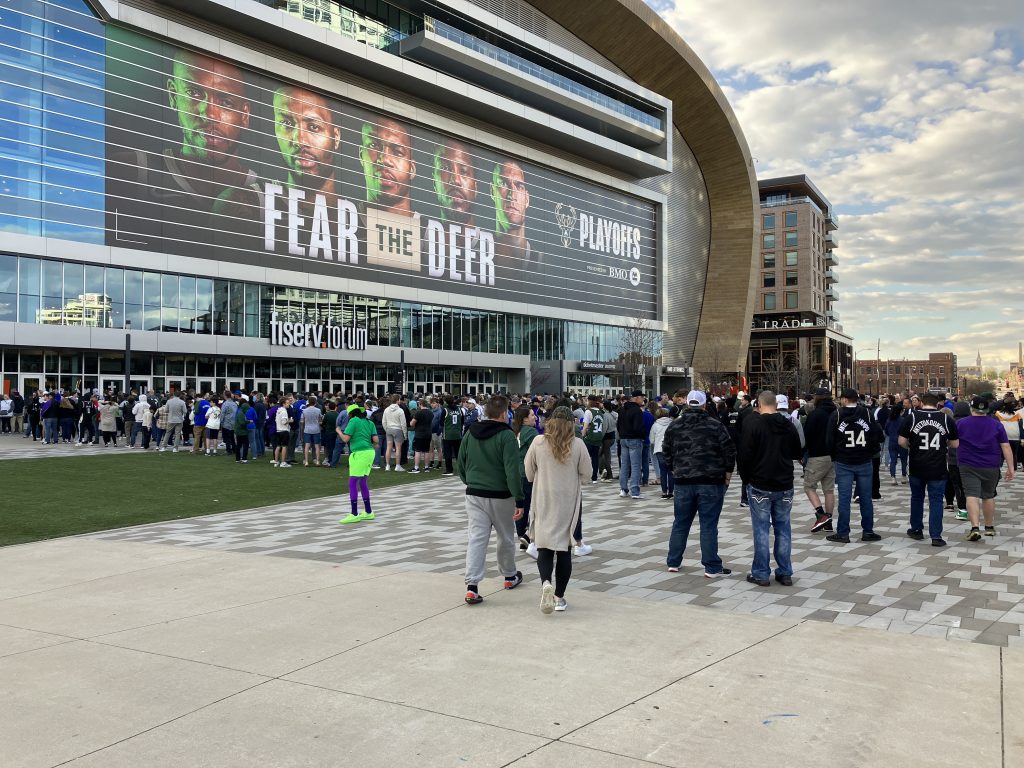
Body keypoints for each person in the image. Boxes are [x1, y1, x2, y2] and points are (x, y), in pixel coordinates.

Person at [458, 394, 525, 605]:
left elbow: (461, 462)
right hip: (501, 495)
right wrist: (520, 499)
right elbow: (512, 470)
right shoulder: (507, 437)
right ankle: (509, 575)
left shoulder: (470, 433)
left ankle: (472, 586)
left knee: (477, 538)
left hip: (475, 493)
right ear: (505, 413)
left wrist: (470, 480)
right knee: (505, 537)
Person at [524, 406, 590, 614]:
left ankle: (545, 582)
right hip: (568, 500)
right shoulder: (578, 444)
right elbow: (587, 473)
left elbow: (528, 472)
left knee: (544, 547)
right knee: (564, 550)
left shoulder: (538, 442)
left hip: (543, 498)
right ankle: (559, 597)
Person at [662, 390, 736, 577]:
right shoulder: (715, 425)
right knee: (709, 525)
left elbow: (666, 451)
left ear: (687, 404)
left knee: (681, 522)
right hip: (711, 481)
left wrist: (674, 469)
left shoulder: (674, 426)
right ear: (704, 405)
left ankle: (673, 561)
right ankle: (711, 567)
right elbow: (729, 451)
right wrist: (728, 474)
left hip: (683, 481)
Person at [737, 390, 802, 587]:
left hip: (760, 482)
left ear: (759, 404)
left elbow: (744, 455)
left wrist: (746, 479)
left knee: (761, 529)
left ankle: (761, 573)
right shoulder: (788, 424)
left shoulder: (753, 423)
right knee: (783, 528)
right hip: (784, 482)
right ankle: (784, 572)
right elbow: (797, 451)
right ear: (775, 404)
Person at [898, 392, 959, 546]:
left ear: (922, 403)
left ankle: (917, 529)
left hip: (917, 465)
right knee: (936, 501)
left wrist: (911, 446)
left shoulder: (911, 418)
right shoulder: (946, 419)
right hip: (937, 466)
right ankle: (936, 536)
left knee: (917, 498)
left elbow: (901, 441)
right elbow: (955, 444)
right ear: (938, 404)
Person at [825, 388, 883, 544]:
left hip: (844, 461)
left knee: (844, 499)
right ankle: (868, 531)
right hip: (864, 460)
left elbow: (829, 440)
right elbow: (876, 435)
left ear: (844, 399)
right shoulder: (868, 413)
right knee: (866, 498)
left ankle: (843, 532)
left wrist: (834, 455)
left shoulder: (836, 415)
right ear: (856, 399)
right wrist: (871, 452)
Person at [958, 396, 1014, 541]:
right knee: (988, 495)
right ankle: (989, 527)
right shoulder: (996, 424)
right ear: (987, 410)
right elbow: (1005, 446)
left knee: (971, 495)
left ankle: (975, 527)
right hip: (991, 464)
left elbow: (952, 442)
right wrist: (1011, 467)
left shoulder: (961, 423)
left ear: (972, 408)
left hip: (967, 463)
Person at [339, 404, 379, 524]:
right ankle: (368, 512)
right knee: (362, 482)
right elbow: (376, 441)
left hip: (359, 454)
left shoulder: (353, 421)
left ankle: (354, 513)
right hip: (369, 453)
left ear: (350, 414)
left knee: (352, 482)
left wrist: (338, 431)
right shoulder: (369, 422)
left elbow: (345, 439)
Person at [803, 387, 836, 532]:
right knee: (828, 490)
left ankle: (821, 515)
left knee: (809, 486)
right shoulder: (836, 413)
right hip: (834, 456)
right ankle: (828, 522)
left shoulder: (815, 414)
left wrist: (803, 454)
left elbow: (807, 436)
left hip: (817, 455)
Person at [512, 406, 539, 556]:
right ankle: (528, 537)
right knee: (533, 507)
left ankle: (522, 537)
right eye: (531, 415)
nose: (534, 416)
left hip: (515, 473)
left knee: (520, 506)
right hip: (528, 473)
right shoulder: (531, 432)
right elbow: (537, 454)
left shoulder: (514, 431)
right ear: (524, 419)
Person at [617, 389, 647, 499]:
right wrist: (643, 436)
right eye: (642, 397)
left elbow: (618, 425)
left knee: (624, 465)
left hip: (623, 439)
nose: (643, 399)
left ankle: (623, 489)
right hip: (634, 439)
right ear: (636, 398)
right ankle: (635, 491)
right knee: (635, 466)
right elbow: (637, 427)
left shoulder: (622, 410)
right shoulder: (637, 411)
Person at [947, 401, 971, 520]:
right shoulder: (972, 423)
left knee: (957, 485)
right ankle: (971, 507)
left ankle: (962, 509)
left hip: (953, 458)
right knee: (969, 485)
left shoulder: (952, 423)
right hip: (970, 458)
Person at [649, 407, 675, 499]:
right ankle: (671, 492)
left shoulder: (655, 425)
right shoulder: (672, 423)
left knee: (662, 471)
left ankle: (664, 492)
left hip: (659, 450)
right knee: (671, 471)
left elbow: (651, 440)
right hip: (671, 449)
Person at [580, 393, 605, 483]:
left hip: (589, 437)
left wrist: (582, 435)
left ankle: (585, 476)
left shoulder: (588, 411)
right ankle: (594, 477)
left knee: (585, 458)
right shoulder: (600, 412)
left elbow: (585, 426)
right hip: (598, 436)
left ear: (589, 401)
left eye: (587, 400)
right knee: (595, 458)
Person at [382, 394, 407, 472]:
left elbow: (384, 422)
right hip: (398, 430)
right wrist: (405, 434)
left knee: (389, 448)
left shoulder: (386, 409)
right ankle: (397, 465)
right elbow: (403, 424)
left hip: (389, 429)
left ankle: (388, 465)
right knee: (398, 448)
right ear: (397, 400)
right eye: (399, 399)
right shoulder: (400, 410)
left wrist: (387, 429)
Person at [886, 402, 909, 484]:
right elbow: (907, 431)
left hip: (892, 441)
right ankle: (903, 477)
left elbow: (886, 431)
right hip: (902, 441)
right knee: (904, 460)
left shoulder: (889, 420)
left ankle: (893, 478)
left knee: (893, 460)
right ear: (901, 411)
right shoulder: (903, 420)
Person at [409, 399, 434, 473]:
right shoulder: (431, 413)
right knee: (426, 451)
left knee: (418, 451)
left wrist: (411, 422)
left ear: (420, 404)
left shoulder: (418, 413)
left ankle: (416, 467)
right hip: (428, 433)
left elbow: (412, 423)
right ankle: (426, 467)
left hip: (419, 433)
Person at [598, 399, 618, 481]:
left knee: (603, 455)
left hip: (606, 437)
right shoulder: (614, 414)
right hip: (612, 436)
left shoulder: (606, 415)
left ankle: (607, 473)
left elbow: (604, 428)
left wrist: (600, 437)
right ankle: (605, 471)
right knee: (606, 454)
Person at [301, 395, 323, 467]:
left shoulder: (305, 410)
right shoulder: (318, 410)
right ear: (315, 402)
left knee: (307, 446)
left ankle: (306, 461)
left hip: (307, 429)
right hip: (316, 429)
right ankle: (317, 461)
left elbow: (302, 421)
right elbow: (320, 420)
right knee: (317, 446)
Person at [273, 395, 292, 467]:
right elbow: (284, 422)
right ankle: (283, 462)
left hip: (278, 430)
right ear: (283, 403)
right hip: (284, 431)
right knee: (284, 446)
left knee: (278, 446)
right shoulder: (284, 411)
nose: (288, 404)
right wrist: (290, 421)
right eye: (287, 403)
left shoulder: (278, 410)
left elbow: (276, 420)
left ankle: (276, 461)